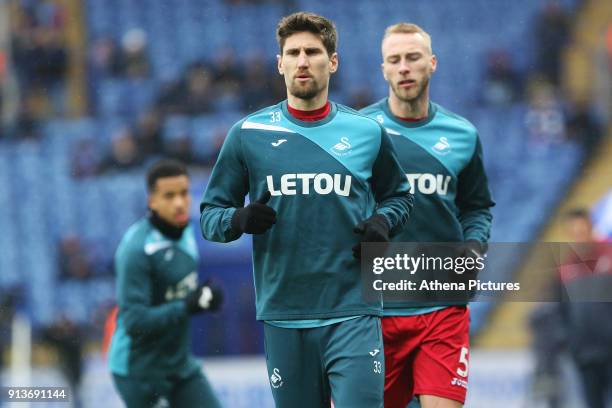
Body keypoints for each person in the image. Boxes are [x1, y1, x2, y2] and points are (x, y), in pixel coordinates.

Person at [200, 12, 412, 408]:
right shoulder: (249, 134)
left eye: (312, 52)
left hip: (353, 310)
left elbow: (400, 197)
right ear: (279, 63)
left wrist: (384, 222)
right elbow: (211, 215)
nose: (302, 61)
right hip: (285, 312)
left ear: (332, 62)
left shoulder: (366, 132)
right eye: (292, 52)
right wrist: (237, 219)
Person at [361, 23, 495, 408]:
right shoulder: (360, 133)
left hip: (442, 303)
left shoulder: (462, 135)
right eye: (395, 60)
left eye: (413, 58)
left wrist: (473, 247)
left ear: (432, 63)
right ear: (384, 69)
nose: (404, 67)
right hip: (376, 309)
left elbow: (477, 206)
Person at [108, 160, 223, 408]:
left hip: (180, 365)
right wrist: (187, 306)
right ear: (152, 201)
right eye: (169, 196)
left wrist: (204, 297)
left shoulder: (187, 232)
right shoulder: (137, 250)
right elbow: (135, 322)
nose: (179, 203)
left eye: (183, 193)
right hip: (140, 371)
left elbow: (175, 293)